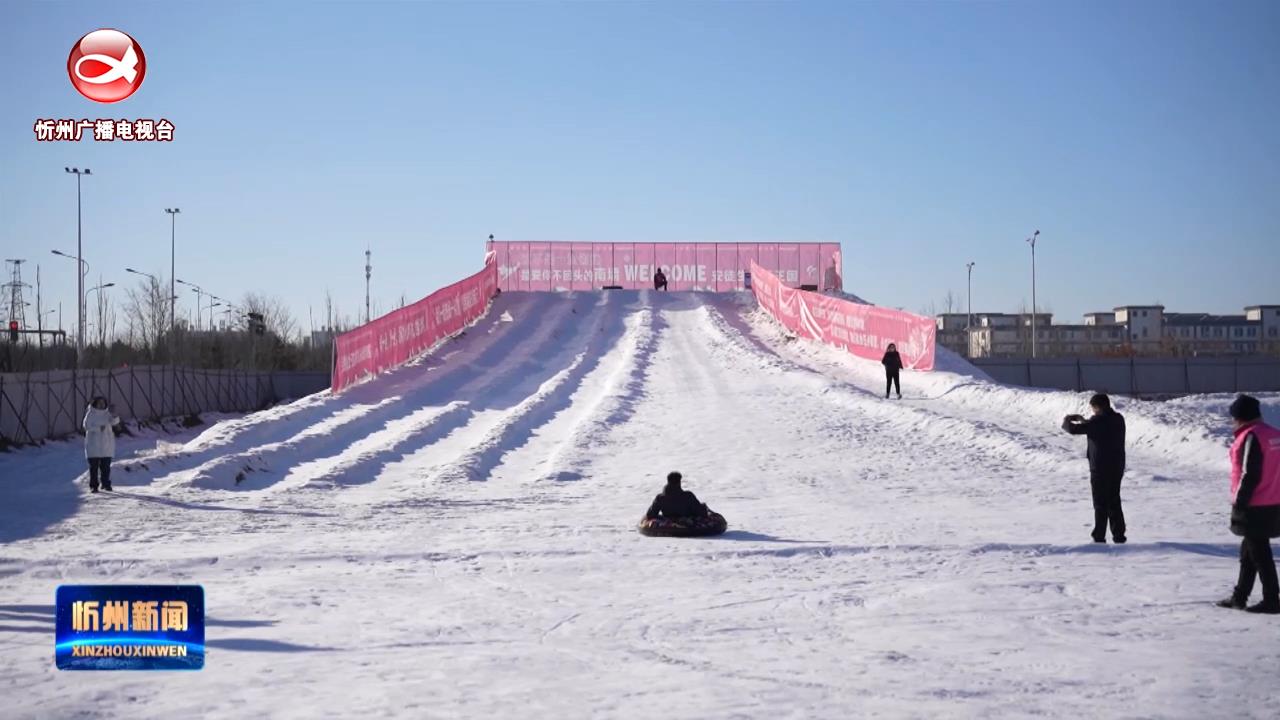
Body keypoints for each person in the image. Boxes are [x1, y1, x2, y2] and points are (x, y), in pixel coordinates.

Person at [1217, 395, 1280, 614]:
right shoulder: (1274, 434)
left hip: (1255, 502)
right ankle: (1240, 596)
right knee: (1249, 551)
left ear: (1240, 417)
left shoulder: (1251, 436)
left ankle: (1272, 599)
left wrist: (1240, 502)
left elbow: (1248, 473)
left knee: (1260, 553)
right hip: (1273, 499)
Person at [1062, 393, 1126, 543]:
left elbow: (1072, 429)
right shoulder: (1118, 419)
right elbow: (1098, 425)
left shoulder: (1096, 422)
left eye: (1092, 408)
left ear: (1097, 407)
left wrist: (1067, 419)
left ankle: (1099, 536)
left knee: (1100, 503)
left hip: (1100, 468)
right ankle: (1119, 535)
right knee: (1114, 500)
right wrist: (1086, 420)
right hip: (1117, 466)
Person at [83, 396, 121, 493]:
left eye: (103, 403)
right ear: (95, 404)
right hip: (94, 445)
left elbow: (114, 422)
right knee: (94, 468)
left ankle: (106, 484)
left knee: (106, 467)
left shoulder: (107, 413)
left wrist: (115, 415)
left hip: (106, 445)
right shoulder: (91, 414)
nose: (101, 405)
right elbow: (86, 426)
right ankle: (94, 486)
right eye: (99, 403)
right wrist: (98, 429)